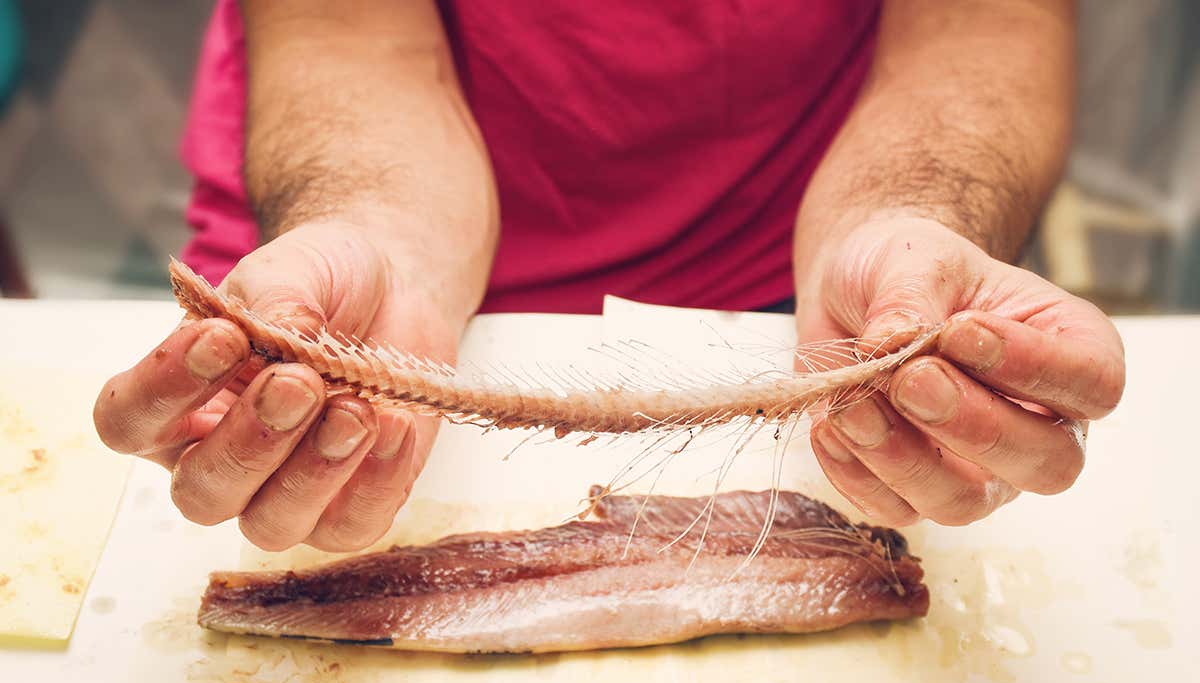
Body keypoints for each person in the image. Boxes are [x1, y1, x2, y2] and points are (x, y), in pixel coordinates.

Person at [93, 0, 1124, 553]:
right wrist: (377, 238)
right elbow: (345, 31)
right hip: (359, 289)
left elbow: (985, 19)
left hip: (806, 276)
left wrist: (908, 225)